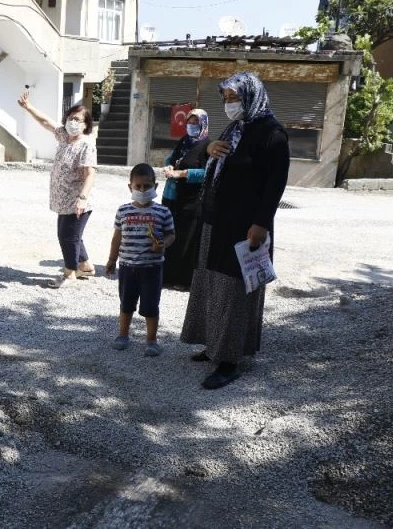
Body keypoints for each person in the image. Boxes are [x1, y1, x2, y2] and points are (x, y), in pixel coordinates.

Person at [180, 72, 289, 389]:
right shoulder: (234, 128)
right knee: (211, 284)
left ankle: (229, 361)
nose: (229, 104)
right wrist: (208, 147)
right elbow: (210, 156)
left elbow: (275, 185)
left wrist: (261, 223)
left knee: (234, 290)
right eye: (226, 98)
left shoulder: (272, 134)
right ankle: (212, 344)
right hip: (217, 221)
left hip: (245, 226)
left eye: (235, 98)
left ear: (251, 96)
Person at [18, 90, 97, 288]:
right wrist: (29, 107)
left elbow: (90, 174)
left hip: (77, 201)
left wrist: (82, 198)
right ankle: (85, 265)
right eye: (71, 118)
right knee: (72, 234)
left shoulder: (86, 145)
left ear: (86, 125)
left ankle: (70, 273)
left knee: (67, 236)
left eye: (78, 120)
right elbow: (46, 122)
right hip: (62, 199)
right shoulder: (64, 137)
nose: (73, 122)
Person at [105, 164, 175, 355]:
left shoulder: (163, 212)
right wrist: (112, 259)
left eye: (147, 186)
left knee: (151, 305)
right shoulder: (123, 211)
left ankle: (152, 340)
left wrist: (163, 244)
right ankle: (123, 335)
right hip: (127, 266)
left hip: (152, 267)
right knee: (126, 303)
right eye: (138, 186)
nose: (143, 190)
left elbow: (171, 234)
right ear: (130, 187)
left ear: (156, 186)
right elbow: (117, 237)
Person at [160, 108, 210, 289]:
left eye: (196, 122)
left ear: (203, 123)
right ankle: (166, 275)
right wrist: (168, 167)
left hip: (191, 200)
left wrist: (182, 173)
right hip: (172, 197)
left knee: (186, 240)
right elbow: (172, 159)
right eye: (189, 121)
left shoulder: (207, 146)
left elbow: (207, 173)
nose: (191, 125)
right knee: (169, 236)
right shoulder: (184, 141)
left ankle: (183, 279)